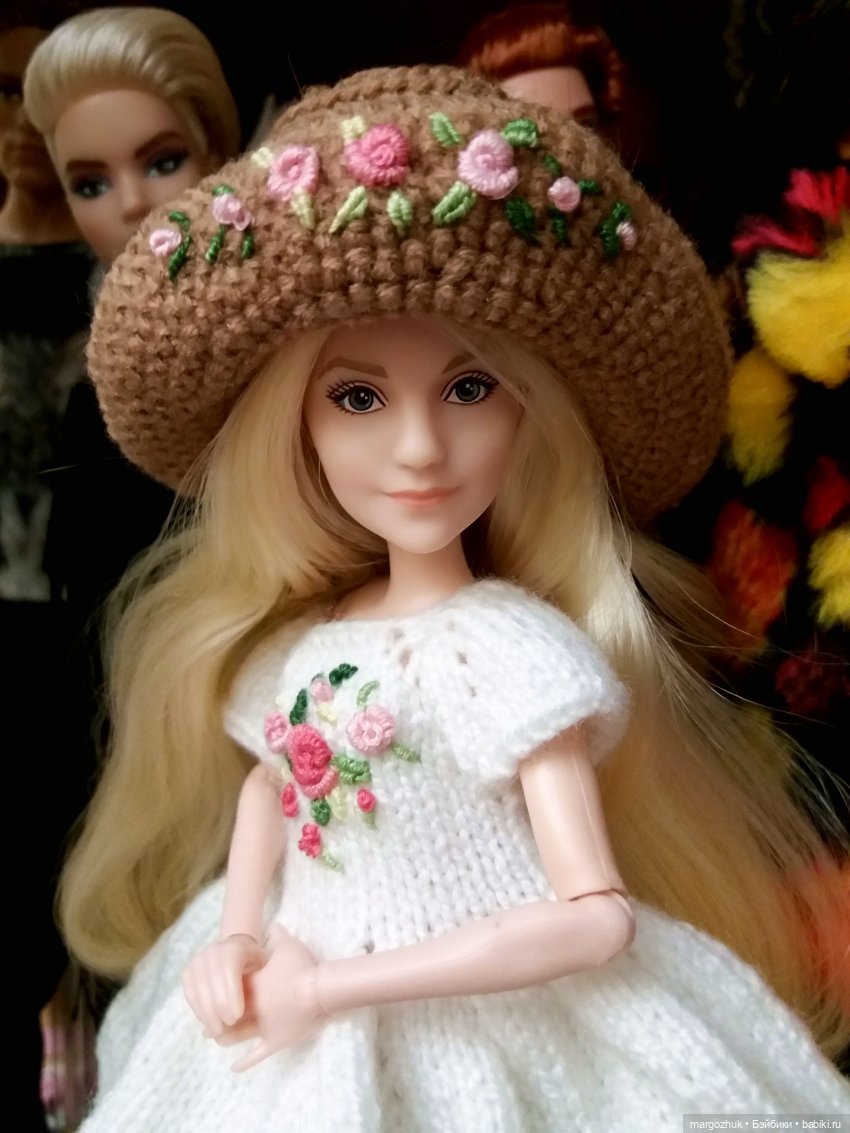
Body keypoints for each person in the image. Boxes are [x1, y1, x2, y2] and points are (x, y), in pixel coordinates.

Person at [69, 66, 850, 1129]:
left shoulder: (504, 650)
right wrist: (239, 934)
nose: (420, 448)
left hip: (494, 1026)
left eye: (470, 388)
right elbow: (276, 785)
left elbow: (594, 920)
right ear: (293, 431)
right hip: (288, 1001)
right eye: (357, 397)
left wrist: (332, 988)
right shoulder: (307, 643)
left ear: (532, 417)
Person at [18, 8, 242, 1125]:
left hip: (238, 672)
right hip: (103, 686)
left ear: (217, 152)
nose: (134, 204)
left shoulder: (263, 330)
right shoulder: (86, 348)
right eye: (91, 183)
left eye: (164, 161)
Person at [0, 15, 94, 1132]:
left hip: (79, 620)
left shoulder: (120, 267)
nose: (24, 122)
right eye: (5, 92)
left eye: (43, 95)